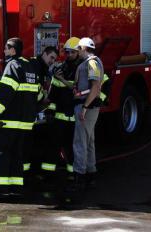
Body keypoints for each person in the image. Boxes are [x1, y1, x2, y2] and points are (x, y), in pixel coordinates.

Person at [0, 37, 40, 202]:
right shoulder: (29, 66)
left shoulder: (12, 65)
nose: (4, 52)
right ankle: (15, 189)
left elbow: (7, 92)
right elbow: (34, 93)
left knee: (0, 152)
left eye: (6, 49)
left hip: (10, 120)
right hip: (25, 123)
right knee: (16, 155)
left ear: (13, 50)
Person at [39, 37, 82, 180]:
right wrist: (50, 111)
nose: (69, 55)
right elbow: (53, 93)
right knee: (53, 145)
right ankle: (47, 173)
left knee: (72, 147)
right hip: (59, 117)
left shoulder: (83, 69)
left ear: (79, 52)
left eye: (72, 52)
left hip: (76, 116)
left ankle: (72, 173)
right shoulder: (60, 68)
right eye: (67, 52)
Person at [72, 37, 104, 190]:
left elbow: (96, 87)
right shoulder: (91, 62)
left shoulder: (92, 63)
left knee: (80, 142)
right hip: (89, 107)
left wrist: (85, 106)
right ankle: (91, 174)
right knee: (89, 142)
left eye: (78, 49)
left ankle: (79, 177)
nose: (77, 52)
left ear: (84, 48)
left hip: (87, 108)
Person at [25, 46, 59, 173]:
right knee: (27, 143)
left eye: (54, 59)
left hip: (36, 109)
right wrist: (42, 100)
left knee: (34, 142)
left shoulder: (43, 68)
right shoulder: (34, 66)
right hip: (30, 109)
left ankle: (31, 170)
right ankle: (27, 172)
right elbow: (34, 90)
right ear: (44, 54)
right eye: (51, 57)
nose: (52, 61)